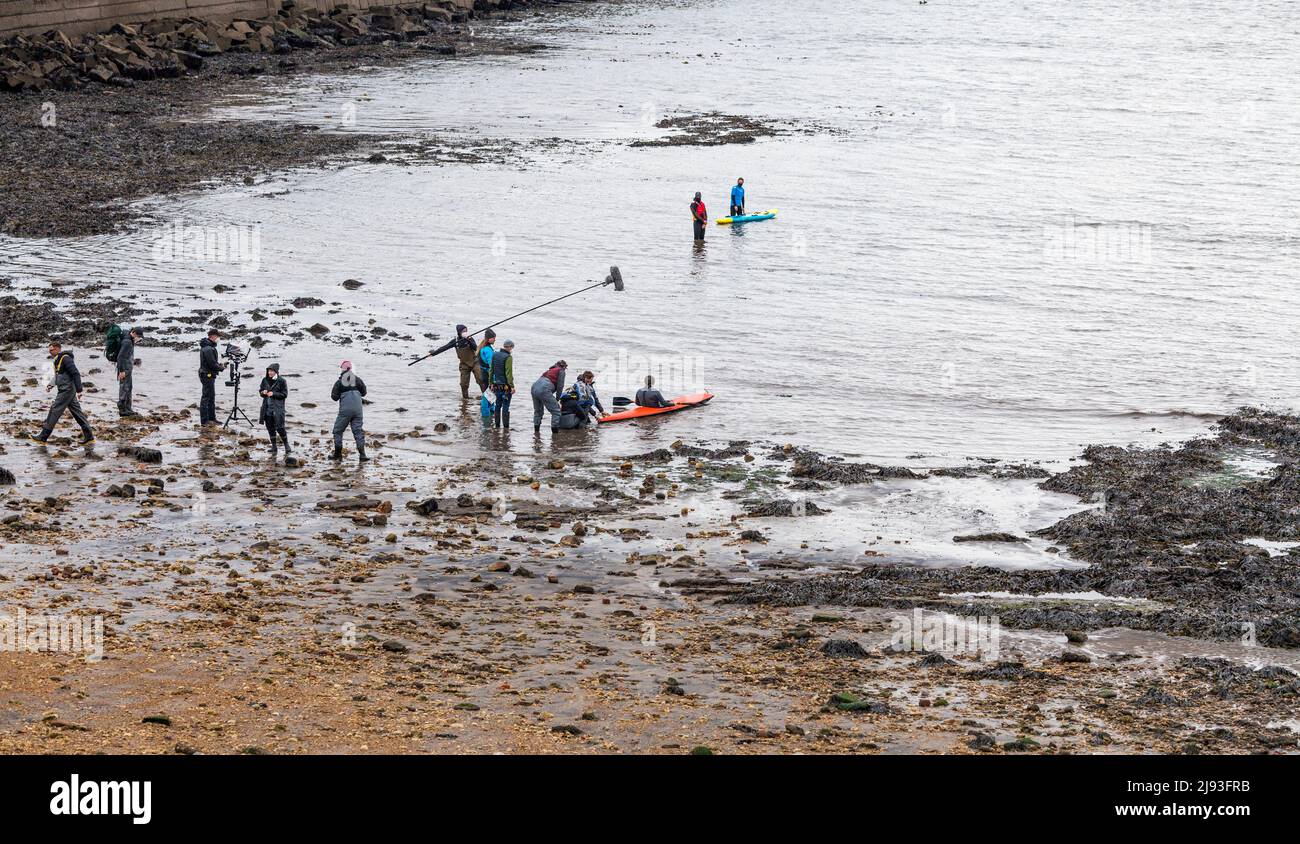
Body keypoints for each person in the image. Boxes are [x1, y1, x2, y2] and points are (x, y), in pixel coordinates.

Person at [33, 341, 94, 445]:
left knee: (54, 410)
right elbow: (58, 375)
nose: (50, 352)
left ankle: (43, 437)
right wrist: (51, 385)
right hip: (65, 390)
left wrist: (79, 390)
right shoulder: (57, 360)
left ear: (57, 349)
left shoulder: (66, 358)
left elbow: (75, 373)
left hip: (67, 391)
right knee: (77, 413)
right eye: (49, 350)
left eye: (51, 350)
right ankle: (89, 437)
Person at [430, 324, 485, 400]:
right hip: (464, 364)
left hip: (475, 362)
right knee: (463, 384)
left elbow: (475, 348)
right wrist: (433, 353)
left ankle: (486, 396)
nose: (465, 332)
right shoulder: (455, 341)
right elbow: (445, 347)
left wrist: (468, 340)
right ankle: (465, 399)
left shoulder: (470, 338)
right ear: (459, 332)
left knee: (481, 379)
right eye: (463, 331)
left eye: (466, 331)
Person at [330, 360, 368, 462]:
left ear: (342, 370)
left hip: (345, 411)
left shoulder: (339, 382)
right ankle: (363, 455)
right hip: (358, 411)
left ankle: (338, 454)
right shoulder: (358, 380)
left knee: (337, 431)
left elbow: (334, 397)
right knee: (358, 431)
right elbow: (364, 393)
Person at [258, 363, 290, 459]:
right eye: (268, 371)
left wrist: (274, 393)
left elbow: (284, 394)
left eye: (271, 371)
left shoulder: (282, 381)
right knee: (270, 428)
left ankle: (287, 446)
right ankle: (274, 447)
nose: (269, 372)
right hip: (267, 408)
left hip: (278, 409)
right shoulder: (264, 380)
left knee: (280, 428)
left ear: (276, 371)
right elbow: (260, 391)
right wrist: (262, 392)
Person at [531, 359, 567, 433]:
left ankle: (536, 433)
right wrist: (557, 399)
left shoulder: (549, 370)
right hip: (544, 388)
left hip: (534, 387)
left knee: (538, 411)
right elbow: (560, 386)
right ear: (564, 367)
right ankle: (555, 435)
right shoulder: (561, 371)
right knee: (556, 411)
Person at [198, 328, 225, 427]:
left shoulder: (208, 347)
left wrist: (220, 365)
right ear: (212, 336)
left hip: (208, 374)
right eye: (217, 336)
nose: (218, 338)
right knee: (206, 398)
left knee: (211, 397)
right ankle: (204, 421)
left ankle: (212, 419)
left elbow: (212, 363)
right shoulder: (208, 348)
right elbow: (212, 364)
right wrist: (221, 368)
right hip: (207, 375)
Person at [116, 327, 143, 418]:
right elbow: (120, 357)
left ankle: (128, 409)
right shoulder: (127, 342)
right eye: (138, 336)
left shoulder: (129, 339)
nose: (139, 338)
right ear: (134, 332)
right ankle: (122, 410)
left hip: (128, 368)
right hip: (124, 369)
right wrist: (121, 371)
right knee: (124, 388)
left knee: (129, 387)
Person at [489, 339, 515, 429]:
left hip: (496, 385)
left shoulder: (495, 354)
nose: (511, 350)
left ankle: (497, 426)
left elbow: (491, 371)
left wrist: (491, 383)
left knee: (497, 405)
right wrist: (512, 386)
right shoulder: (508, 357)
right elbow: (509, 373)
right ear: (509, 347)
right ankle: (506, 428)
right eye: (512, 347)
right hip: (506, 386)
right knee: (505, 406)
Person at [478, 329, 497, 420]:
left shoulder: (483, 347)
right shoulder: (487, 350)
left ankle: (491, 412)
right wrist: (493, 379)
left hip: (483, 374)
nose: (495, 339)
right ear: (489, 339)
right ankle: (485, 415)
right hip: (487, 376)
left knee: (490, 394)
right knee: (487, 395)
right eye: (493, 338)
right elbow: (491, 365)